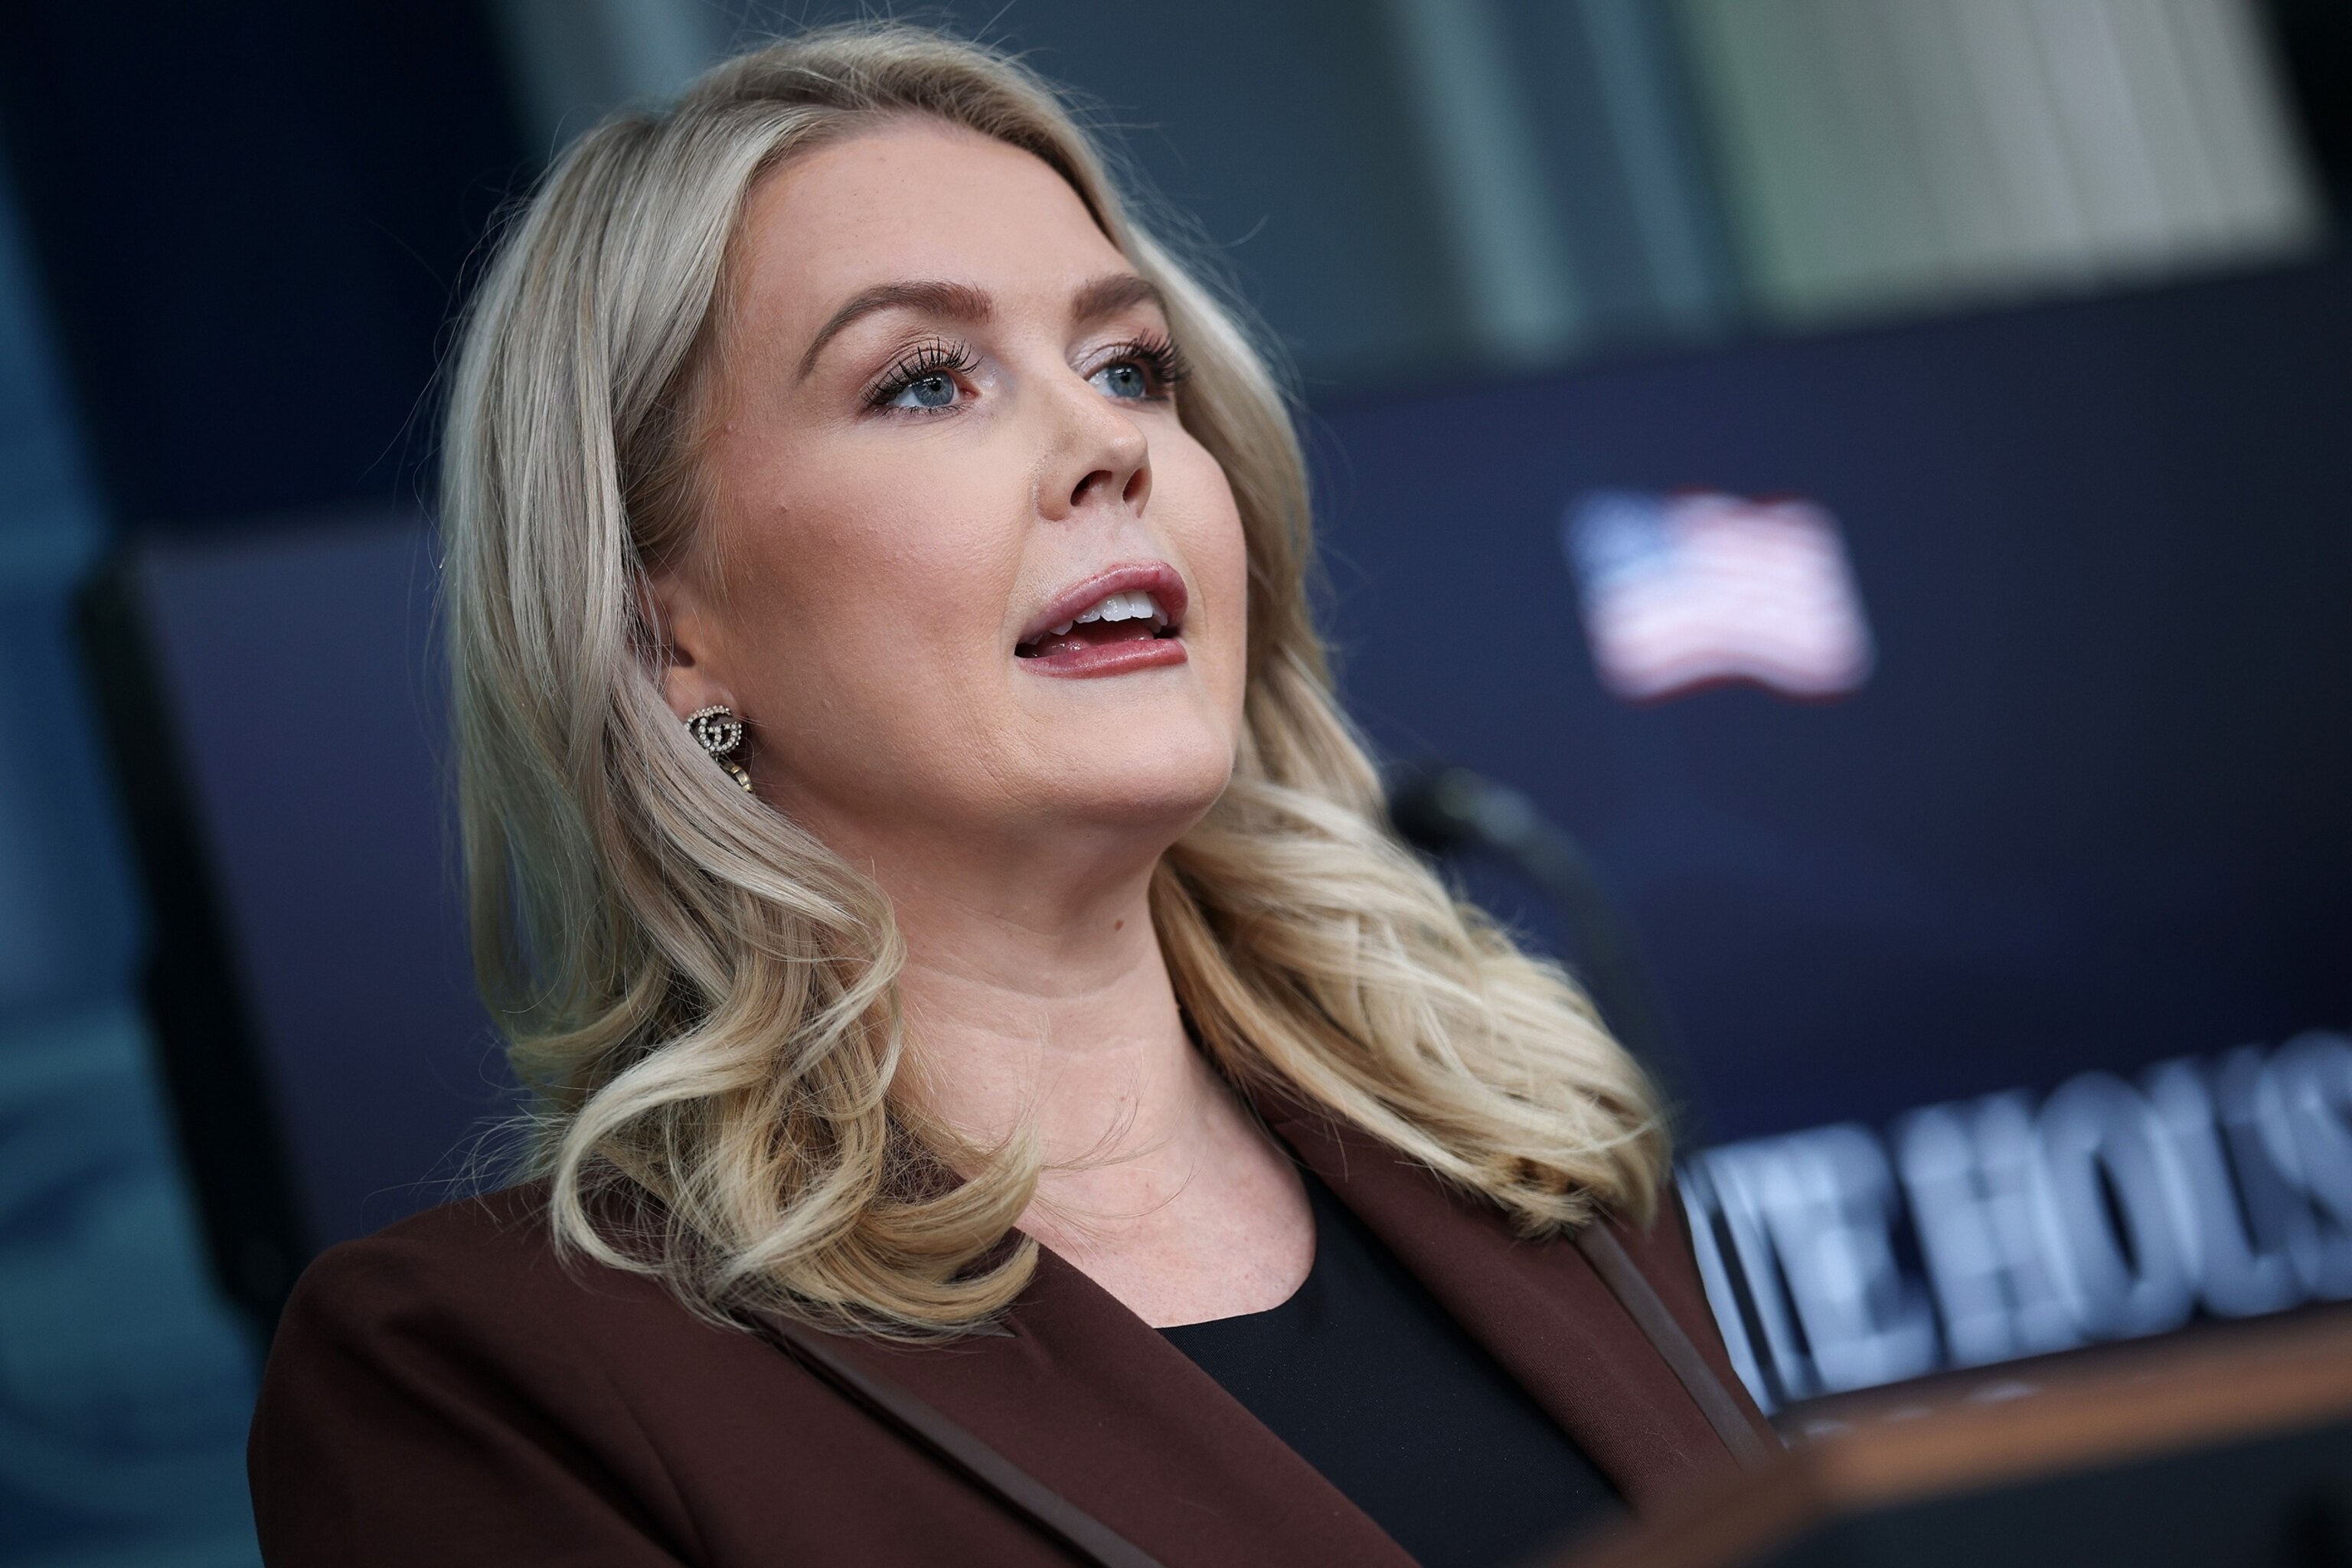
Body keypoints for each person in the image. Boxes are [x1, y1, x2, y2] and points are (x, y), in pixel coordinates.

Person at [247, 23, 1774, 1566]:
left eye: (1131, 365)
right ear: (665, 631)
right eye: (924, 383)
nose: (1108, 441)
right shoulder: (486, 1379)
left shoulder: (1537, 1160)